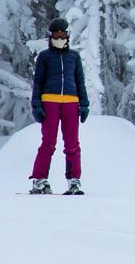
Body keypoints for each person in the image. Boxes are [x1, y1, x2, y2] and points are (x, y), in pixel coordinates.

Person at [29, 17, 91, 195]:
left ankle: (74, 181)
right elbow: (38, 82)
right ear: (50, 37)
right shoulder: (44, 57)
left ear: (68, 36)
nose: (59, 38)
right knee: (48, 142)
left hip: (71, 102)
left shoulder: (74, 57)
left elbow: (80, 82)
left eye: (62, 35)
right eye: (56, 35)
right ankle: (39, 180)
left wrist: (84, 104)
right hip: (50, 102)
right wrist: (36, 105)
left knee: (72, 144)